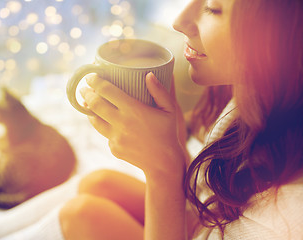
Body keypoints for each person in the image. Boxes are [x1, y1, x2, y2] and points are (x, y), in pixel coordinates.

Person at [59, 0, 303, 239]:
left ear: (277, 33)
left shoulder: (283, 222)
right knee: (98, 184)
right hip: (212, 220)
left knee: (80, 215)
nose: (179, 23)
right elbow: (205, 196)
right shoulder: (261, 96)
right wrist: (174, 139)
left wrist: (162, 172)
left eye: (213, 8)